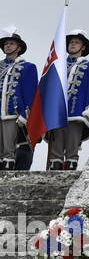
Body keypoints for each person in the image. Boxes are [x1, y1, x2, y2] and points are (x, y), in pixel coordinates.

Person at [45, 29, 89, 170]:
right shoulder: (56, 65)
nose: (73, 44)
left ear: (83, 47)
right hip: (57, 108)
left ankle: (71, 161)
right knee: (57, 137)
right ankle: (56, 161)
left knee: (73, 138)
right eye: (71, 42)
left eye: (76, 42)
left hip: (77, 109)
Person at [0, 27, 38, 170]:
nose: (7, 46)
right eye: (6, 44)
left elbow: (30, 92)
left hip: (13, 112)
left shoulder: (27, 67)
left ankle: (8, 171)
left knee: (9, 147)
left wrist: (25, 114)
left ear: (19, 47)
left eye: (11, 43)